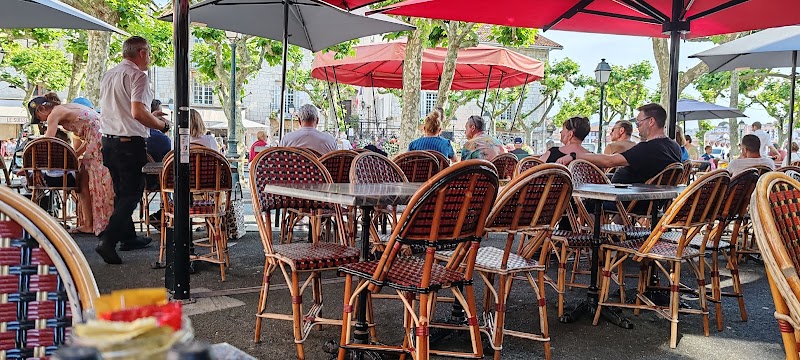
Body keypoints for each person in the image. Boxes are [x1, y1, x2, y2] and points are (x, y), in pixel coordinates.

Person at [98, 36, 170, 264]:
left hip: (109, 141)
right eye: (148, 52)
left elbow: (125, 110)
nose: (149, 57)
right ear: (141, 52)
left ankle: (128, 236)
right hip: (129, 142)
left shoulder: (109, 74)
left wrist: (150, 116)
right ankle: (108, 240)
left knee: (122, 191)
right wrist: (162, 125)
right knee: (132, 192)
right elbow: (137, 112)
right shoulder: (138, 75)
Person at [29, 93, 114, 236]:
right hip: (101, 136)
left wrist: (35, 165)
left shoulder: (53, 115)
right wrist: (74, 153)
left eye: (39, 119)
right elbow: (90, 134)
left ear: (40, 110)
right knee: (84, 181)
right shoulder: (65, 107)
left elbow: (47, 141)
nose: (41, 122)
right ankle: (91, 223)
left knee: (93, 183)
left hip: (97, 139)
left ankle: (95, 224)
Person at [556, 103, 681, 185]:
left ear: (651, 121)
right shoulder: (674, 147)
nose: (638, 127)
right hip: (648, 200)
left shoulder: (649, 148)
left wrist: (574, 156)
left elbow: (609, 161)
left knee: (580, 198)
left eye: (639, 123)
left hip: (627, 199)